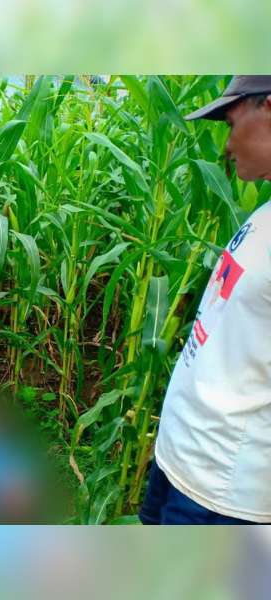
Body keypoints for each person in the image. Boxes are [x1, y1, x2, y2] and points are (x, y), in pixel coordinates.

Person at [140, 76, 271, 525]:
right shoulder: (266, 213)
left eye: (232, 124)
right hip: (183, 461)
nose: (227, 147)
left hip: (226, 495)